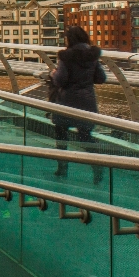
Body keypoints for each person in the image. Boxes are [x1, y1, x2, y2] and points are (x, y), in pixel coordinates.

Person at [50, 25, 106, 183]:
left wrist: (53, 74)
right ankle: (97, 168)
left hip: (66, 102)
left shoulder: (66, 57)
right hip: (87, 102)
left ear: (70, 40)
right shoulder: (92, 56)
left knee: (61, 135)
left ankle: (62, 168)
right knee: (85, 136)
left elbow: (60, 80)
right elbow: (101, 78)